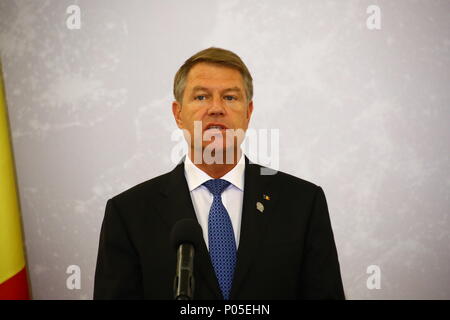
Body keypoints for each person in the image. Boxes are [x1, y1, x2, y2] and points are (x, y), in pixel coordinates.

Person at [93, 47, 345, 300]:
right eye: (201, 97)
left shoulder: (303, 202)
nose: (216, 108)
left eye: (230, 97)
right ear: (178, 114)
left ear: (248, 113)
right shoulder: (128, 213)